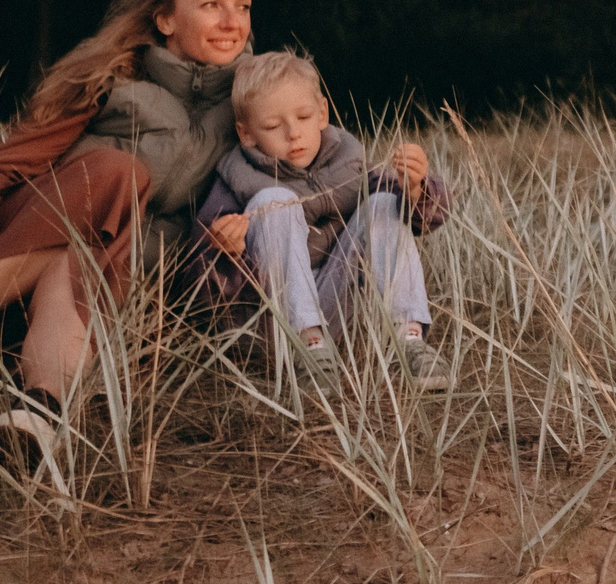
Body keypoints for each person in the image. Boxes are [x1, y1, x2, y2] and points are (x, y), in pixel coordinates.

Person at [0, 0, 254, 442]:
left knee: (87, 260)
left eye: (243, 6)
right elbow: (12, 160)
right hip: (17, 240)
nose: (233, 22)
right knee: (120, 173)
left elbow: (315, 169)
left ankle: (38, 411)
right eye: (212, 5)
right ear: (165, 19)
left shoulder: (256, 97)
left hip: (106, 276)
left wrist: (404, 190)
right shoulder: (113, 77)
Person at [192, 49, 453, 389]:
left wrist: (416, 190)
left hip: (335, 308)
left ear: (322, 113)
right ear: (247, 134)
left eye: (303, 117)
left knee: (385, 203)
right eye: (273, 125)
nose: (293, 134)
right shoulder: (236, 178)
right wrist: (226, 252)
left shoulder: (348, 160)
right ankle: (308, 346)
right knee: (275, 201)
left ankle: (409, 338)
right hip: (271, 326)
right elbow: (202, 279)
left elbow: (420, 216)